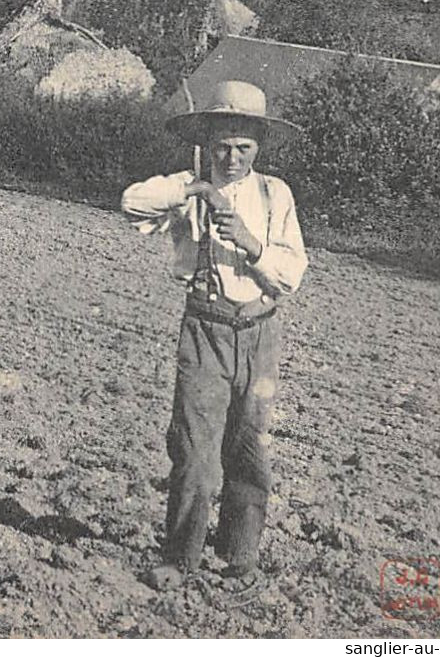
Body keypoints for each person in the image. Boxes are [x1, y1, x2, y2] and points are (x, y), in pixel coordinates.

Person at [121, 80, 308, 602]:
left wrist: (250, 245)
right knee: (196, 452)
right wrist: (196, 189)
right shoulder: (189, 188)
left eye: (243, 147)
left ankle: (240, 555)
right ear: (207, 144)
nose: (232, 158)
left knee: (248, 450)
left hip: (261, 334)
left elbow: (290, 275)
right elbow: (131, 203)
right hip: (205, 331)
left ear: (258, 147)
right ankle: (179, 559)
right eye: (222, 146)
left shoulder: (276, 195)